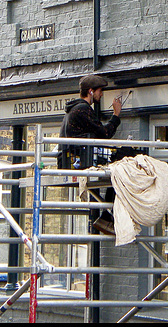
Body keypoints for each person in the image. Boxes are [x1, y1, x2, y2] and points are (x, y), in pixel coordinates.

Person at [59, 74, 123, 235]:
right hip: (81, 160)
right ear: (90, 91)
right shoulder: (83, 109)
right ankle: (108, 218)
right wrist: (116, 115)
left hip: (76, 158)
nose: (101, 95)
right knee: (119, 168)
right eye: (99, 91)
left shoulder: (72, 109)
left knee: (115, 168)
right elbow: (104, 133)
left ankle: (108, 216)